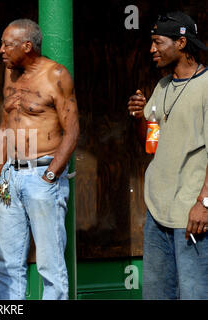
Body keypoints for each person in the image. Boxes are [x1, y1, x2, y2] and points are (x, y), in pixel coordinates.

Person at [0, 19, 79, 300]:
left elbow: (73, 130)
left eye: (7, 44)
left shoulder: (56, 75)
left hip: (42, 175)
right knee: (6, 261)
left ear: (27, 46)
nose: (1, 50)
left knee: (49, 265)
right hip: (10, 177)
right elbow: (5, 124)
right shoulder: (11, 74)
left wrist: (51, 174)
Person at [127, 11, 208, 299]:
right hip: (158, 211)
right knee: (157, 294)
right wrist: (140, 118)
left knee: (194, 293)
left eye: (157, 42)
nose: (152, 50)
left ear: (182, 43)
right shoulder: (162, 87)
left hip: (192, 213)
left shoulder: (206, 86)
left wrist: (204, 202)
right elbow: (152, 145)